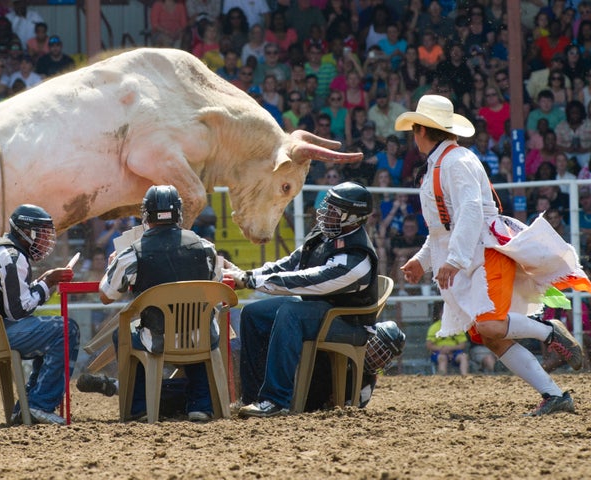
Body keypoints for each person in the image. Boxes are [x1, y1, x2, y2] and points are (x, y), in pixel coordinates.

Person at [397, 94, 587, 416]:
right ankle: (554, 396)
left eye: (414, 130)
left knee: (492, 327)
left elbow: (471, 212)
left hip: (483, 252)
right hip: (473, 254)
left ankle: (549, 331)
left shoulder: (456, 162)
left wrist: (453, 260)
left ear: (421, 130)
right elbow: (442, 230)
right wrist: (423, 259)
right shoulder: (441, 166)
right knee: (490, 335)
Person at [224, 182, 398, 417]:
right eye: (327, 205)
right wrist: (247, 275)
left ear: (353, 218)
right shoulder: (324, 234)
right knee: (254, 314)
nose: (324, 211)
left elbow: (307, 280)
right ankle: (253, 396)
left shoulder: (357, 259)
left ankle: (276, 401)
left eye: (334, 209)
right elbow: (290, 264)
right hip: (320, 312)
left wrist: (249, 281)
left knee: (290, 313)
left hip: (349, 325)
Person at [84, 185, 223, 422]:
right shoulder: (206, 248)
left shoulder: (131, 253)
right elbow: (216, 286)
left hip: (156, 338)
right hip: (200, 338)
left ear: (146, 215)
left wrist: (113, 265)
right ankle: (200, 404)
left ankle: (139, 406)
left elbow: (106, 296)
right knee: (198, 326)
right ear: (179, 214)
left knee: (122, 336)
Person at [0, 204, 79, 425]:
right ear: (26, 233)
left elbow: (17, 300)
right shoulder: (13, 257)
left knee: (51, 333)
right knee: (66, 329)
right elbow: (18, 311)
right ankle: (38, 405)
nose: (46, 241)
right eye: (42, 234)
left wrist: (45, 281)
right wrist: (48, 283)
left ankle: (30, 406)